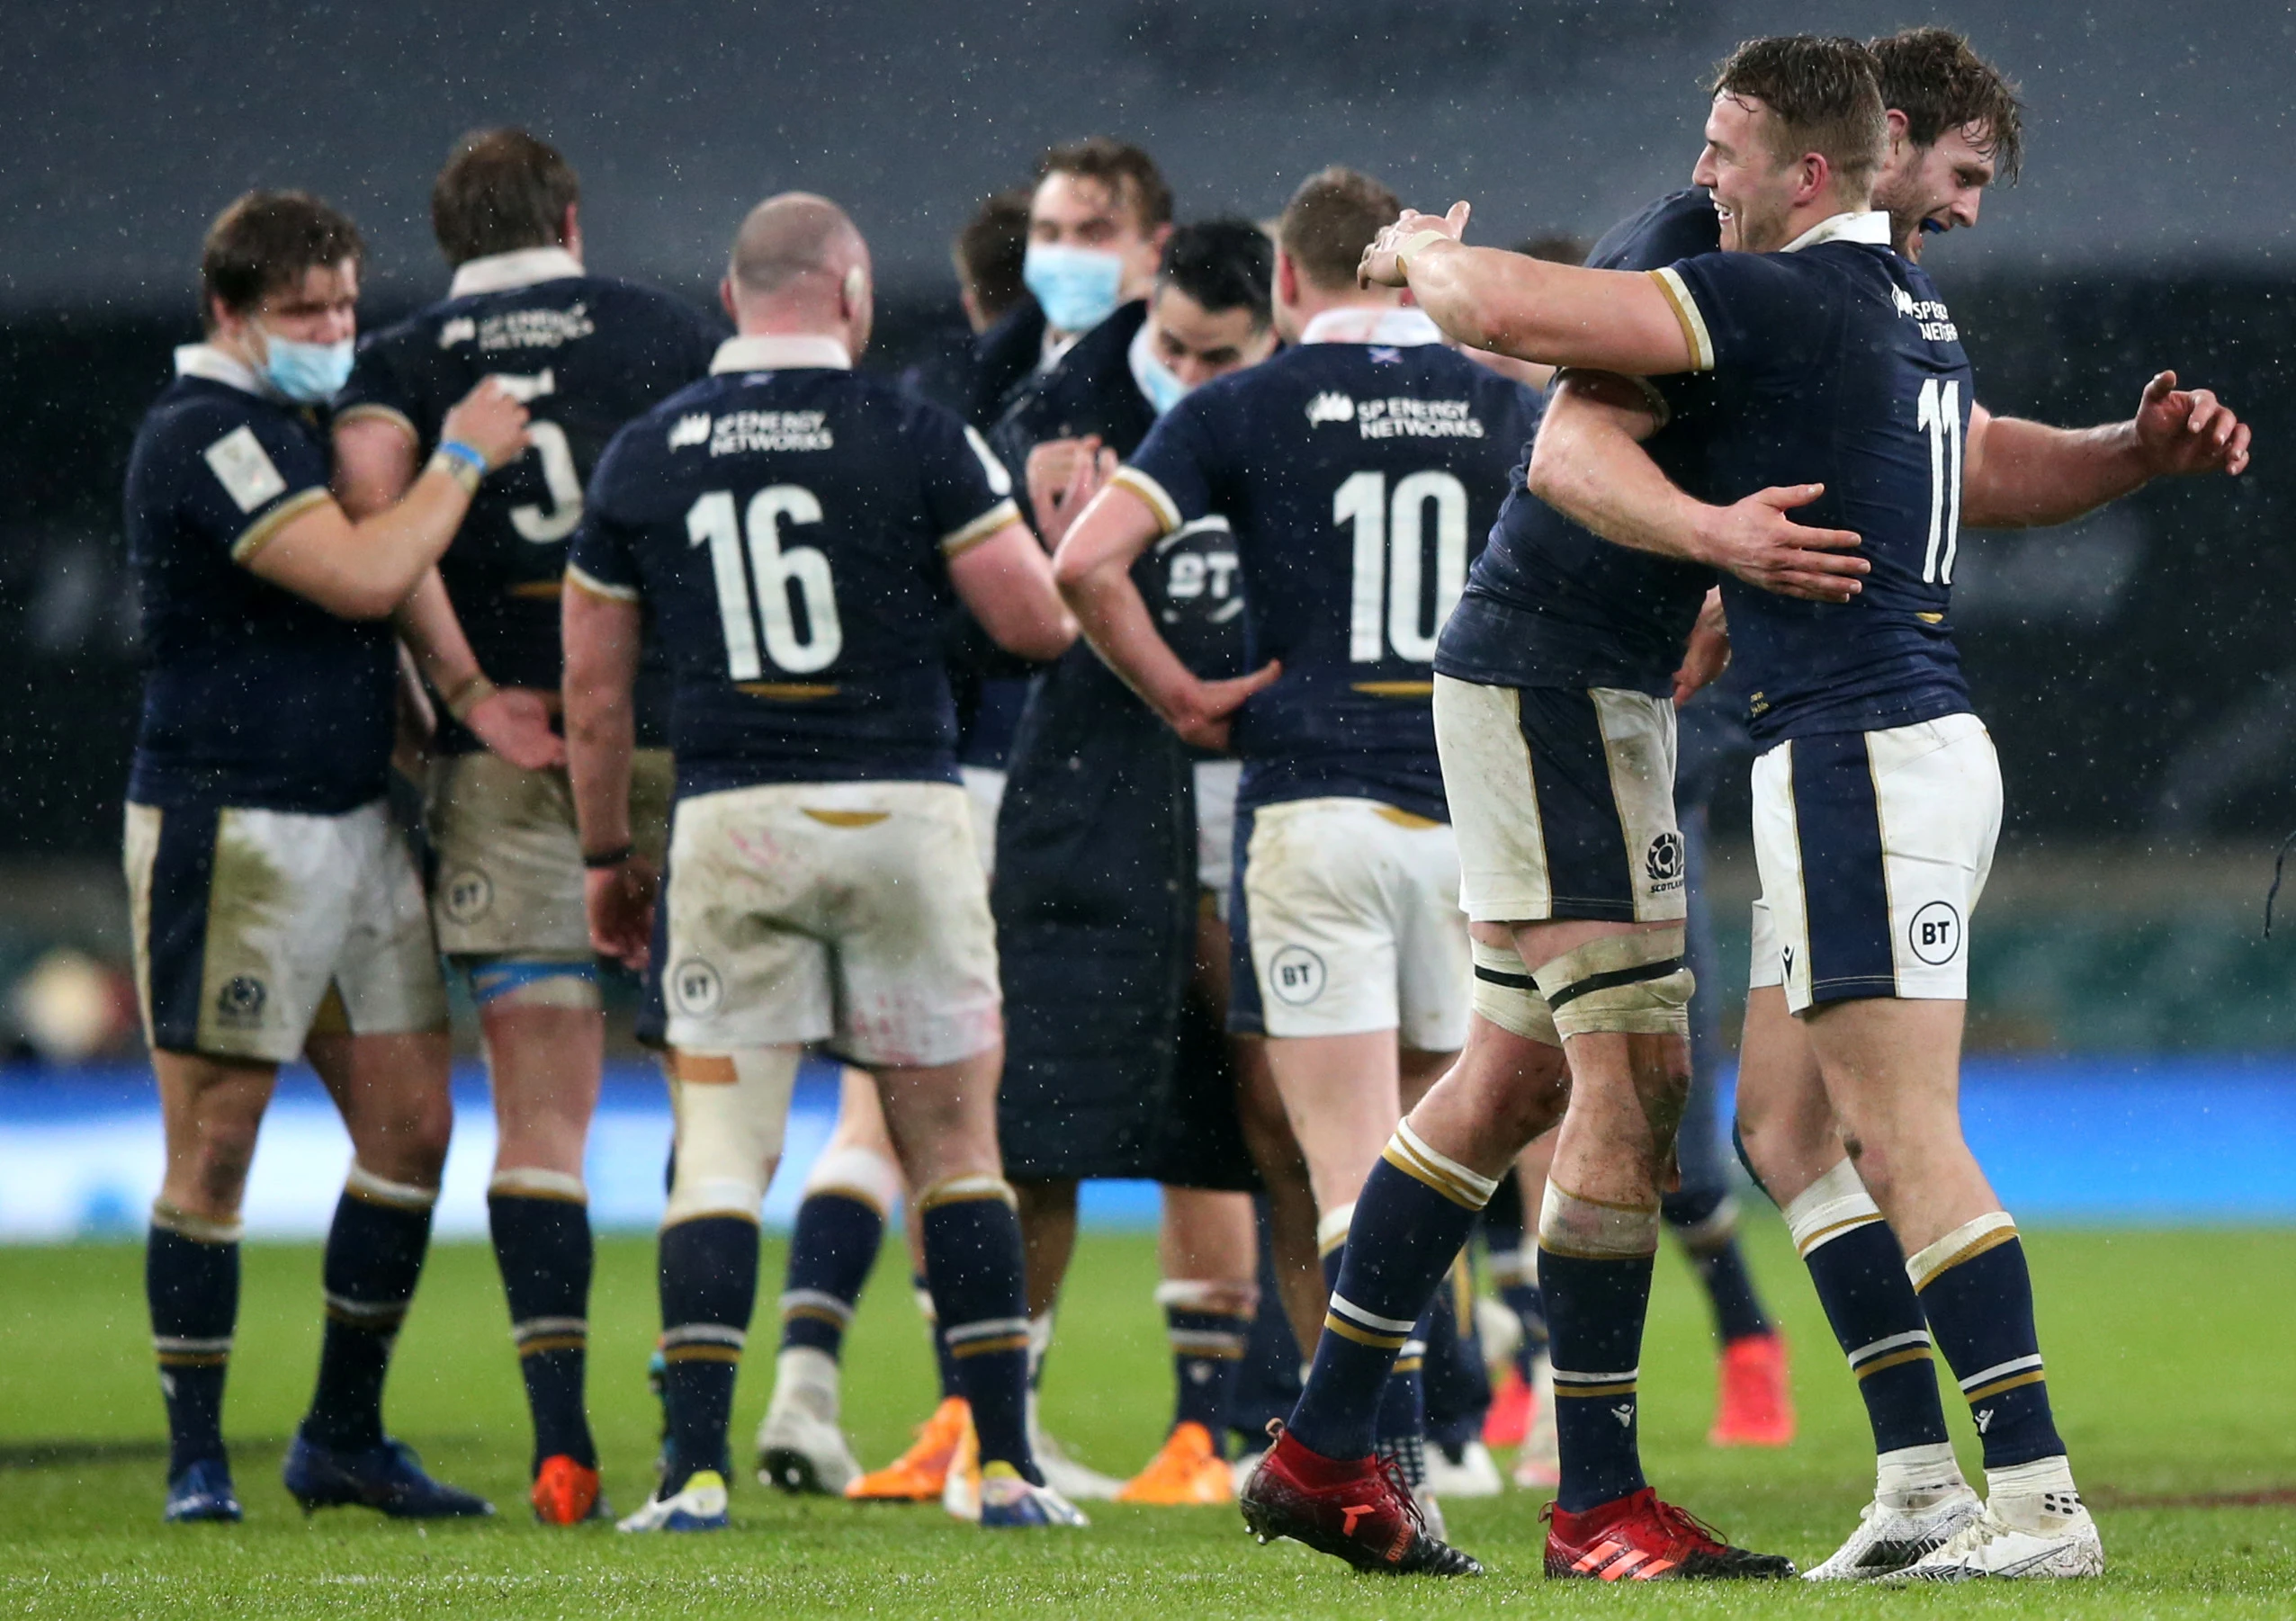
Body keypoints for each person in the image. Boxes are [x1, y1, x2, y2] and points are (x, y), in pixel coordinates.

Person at [1521, 25, 2247, 1580]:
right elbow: (1956, 465)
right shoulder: (1857, 291)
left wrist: (1416, 270)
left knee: (1901, 1130)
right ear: (1885, 137)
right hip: (1848, 742)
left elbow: (1538, 336)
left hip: (1864, 747)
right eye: (1964, 174)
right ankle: (1922, 1482)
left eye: (1723, 155)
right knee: (1786, 1127)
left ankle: (2039, 1499)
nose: (1973, 211)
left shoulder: (1823, 290)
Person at [561, 192, 1084, 1533]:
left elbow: (596, 691)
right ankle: (1011, 1468)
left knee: (723, 1158)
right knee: (958, 1147)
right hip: (901, 815)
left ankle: (688, 1474)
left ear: (735, 301)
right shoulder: (916, 430)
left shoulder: (647, 452)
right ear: (850, 296)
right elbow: (1031, 623)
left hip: (735, 824)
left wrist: (608, 852)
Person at [1055, 166, 1543, 1533]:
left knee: (1338, 1173)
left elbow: (1086, 564)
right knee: (1433, 1165)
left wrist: (1181, 692)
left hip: (1312, 811)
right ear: (1406, 269)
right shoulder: (1500, 401)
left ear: (1282, 281)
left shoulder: (1240, 404)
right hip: (1466, 826)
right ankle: (1436, 1432)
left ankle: (1379, 1473)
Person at [330, 127, 723, 1525]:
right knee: (710, 1096)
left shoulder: (403, 356)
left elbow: (380, 513)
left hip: (509, 756)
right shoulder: (666, 332)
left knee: (538, 1115)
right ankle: (697, 1429)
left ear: (449, 235)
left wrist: (468, 691)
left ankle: (561, 1444)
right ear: (569, 213)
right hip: (681, 733)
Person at [124, 189, 528, 1524]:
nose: (337, 331)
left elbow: (362, 629)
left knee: (413, 1129)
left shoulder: (286, 425)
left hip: (357, 822)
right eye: (307, 312)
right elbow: (360, 580)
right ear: (230, 315)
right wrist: (459, 462)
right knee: (219, 1147)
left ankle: (342, 1432)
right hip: (236, 823)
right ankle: (195, 1456)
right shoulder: (204, 435)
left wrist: (442, 713)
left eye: (349, 303)